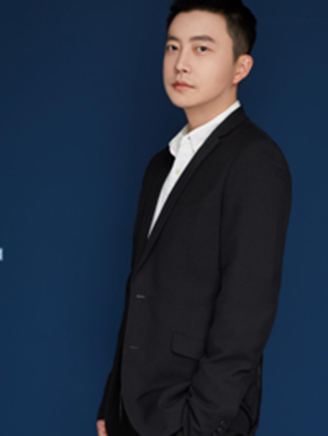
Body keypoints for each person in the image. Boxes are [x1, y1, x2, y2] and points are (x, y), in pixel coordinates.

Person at [96, 1, 292, 435]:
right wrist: (112, 403)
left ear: (241, 67)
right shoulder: (160, 165)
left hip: (192, 418)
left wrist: (200, 423)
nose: (181, 63)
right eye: (173, 47)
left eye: (202, 49)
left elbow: (247, 308)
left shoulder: (255, 160)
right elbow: (140, 289)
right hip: (133, 411)